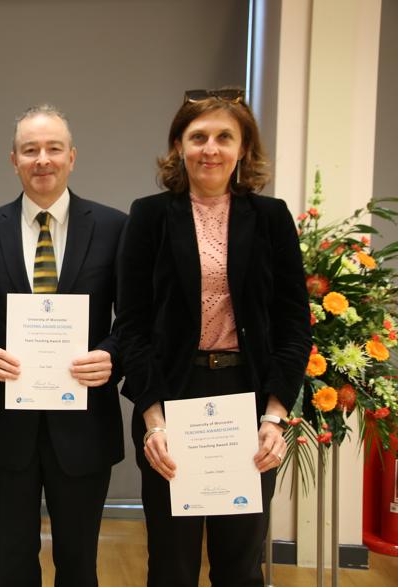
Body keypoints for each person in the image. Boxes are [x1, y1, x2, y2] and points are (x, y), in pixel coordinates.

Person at [115, 89, 312, 587]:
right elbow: (132, 324)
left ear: (243, 148)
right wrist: (152, 417)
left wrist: (275, 413)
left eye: (225, 137)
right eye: (198, 136)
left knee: (240, 563)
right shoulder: (150, 216)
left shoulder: (270, 218)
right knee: (172, 563)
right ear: (178, 146)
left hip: (247, 403)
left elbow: (294, 323)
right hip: (172, 399)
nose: (211, 148)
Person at [0, 104, 126, 586]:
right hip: (5, 428)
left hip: (85, 426)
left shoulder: (114, 227)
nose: (42, 159)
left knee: (78, 563)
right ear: (14, 160)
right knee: (11, 563)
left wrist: (111, 355)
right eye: (30, 150)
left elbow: (132, 323)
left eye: (53, 149)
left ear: (72, 157)